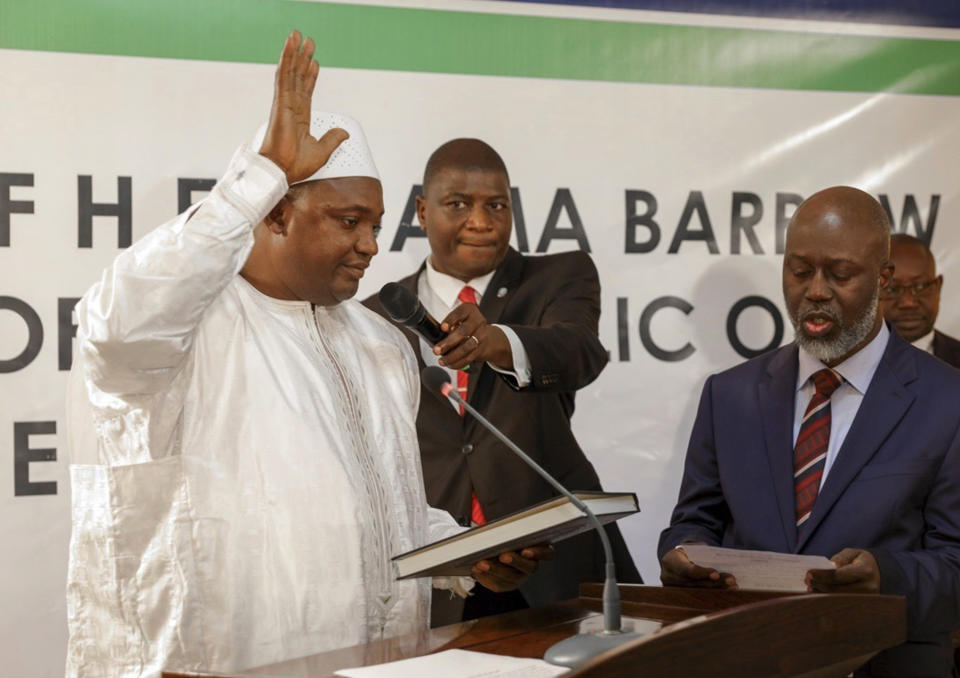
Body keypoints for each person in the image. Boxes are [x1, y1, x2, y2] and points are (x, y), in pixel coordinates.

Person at [65, 33, 549, 678]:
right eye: (348, 221)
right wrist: (256, 179)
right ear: (273, 217)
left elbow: (385, 519)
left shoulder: (378, 343)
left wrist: (467, 552)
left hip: (375, 663)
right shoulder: (185, 329)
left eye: (376, 224)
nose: (370, 245)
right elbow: (118, 329)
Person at [658, 186, 960, 677]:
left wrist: (887, 574)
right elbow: (695, 521)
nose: (815, 291)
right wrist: (679, 554)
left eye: (840, 274)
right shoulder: (728, 395)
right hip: (747, 660)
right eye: (799, 271)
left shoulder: (948, 400)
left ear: (884, 280)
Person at [364, 138, 640, 623]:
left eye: (496, 205)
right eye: (458, 204)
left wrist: (497, 341)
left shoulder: (559, 275)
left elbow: (578, 350)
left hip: (554, 564)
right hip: (445, 575)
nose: (481, 221)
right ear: (423, 212)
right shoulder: (375, 316)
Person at [881, 233, 960, 368]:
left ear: (938, 287)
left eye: (920, 286)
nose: (908, 302)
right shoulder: (845, 366)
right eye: (893, 289)